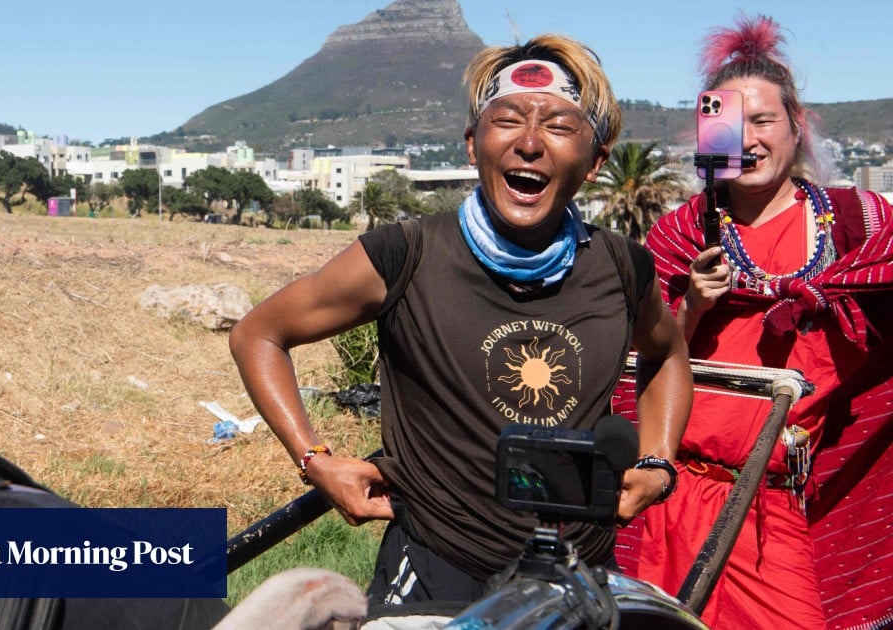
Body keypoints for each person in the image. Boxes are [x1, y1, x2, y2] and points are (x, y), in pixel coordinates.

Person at [229, 34, 692, 615]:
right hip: (437, 570)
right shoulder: (407, 255)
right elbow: (259, 335)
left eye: (558, 126)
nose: (529, 143)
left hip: (577, 578)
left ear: (596, 161)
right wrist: (314, 460)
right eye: (508, 121)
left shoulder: (622, 266)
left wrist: (658, 461)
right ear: (474, 145)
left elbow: (668, 355)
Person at [631, 15, 893, 629]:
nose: (746, 138)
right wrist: (692, 305)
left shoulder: (860, 224)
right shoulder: (682, 232)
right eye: (728, 122)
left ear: (797, 128)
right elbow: (639, 365)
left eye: (763, 120)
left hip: (786, 500)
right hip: (681, 500)